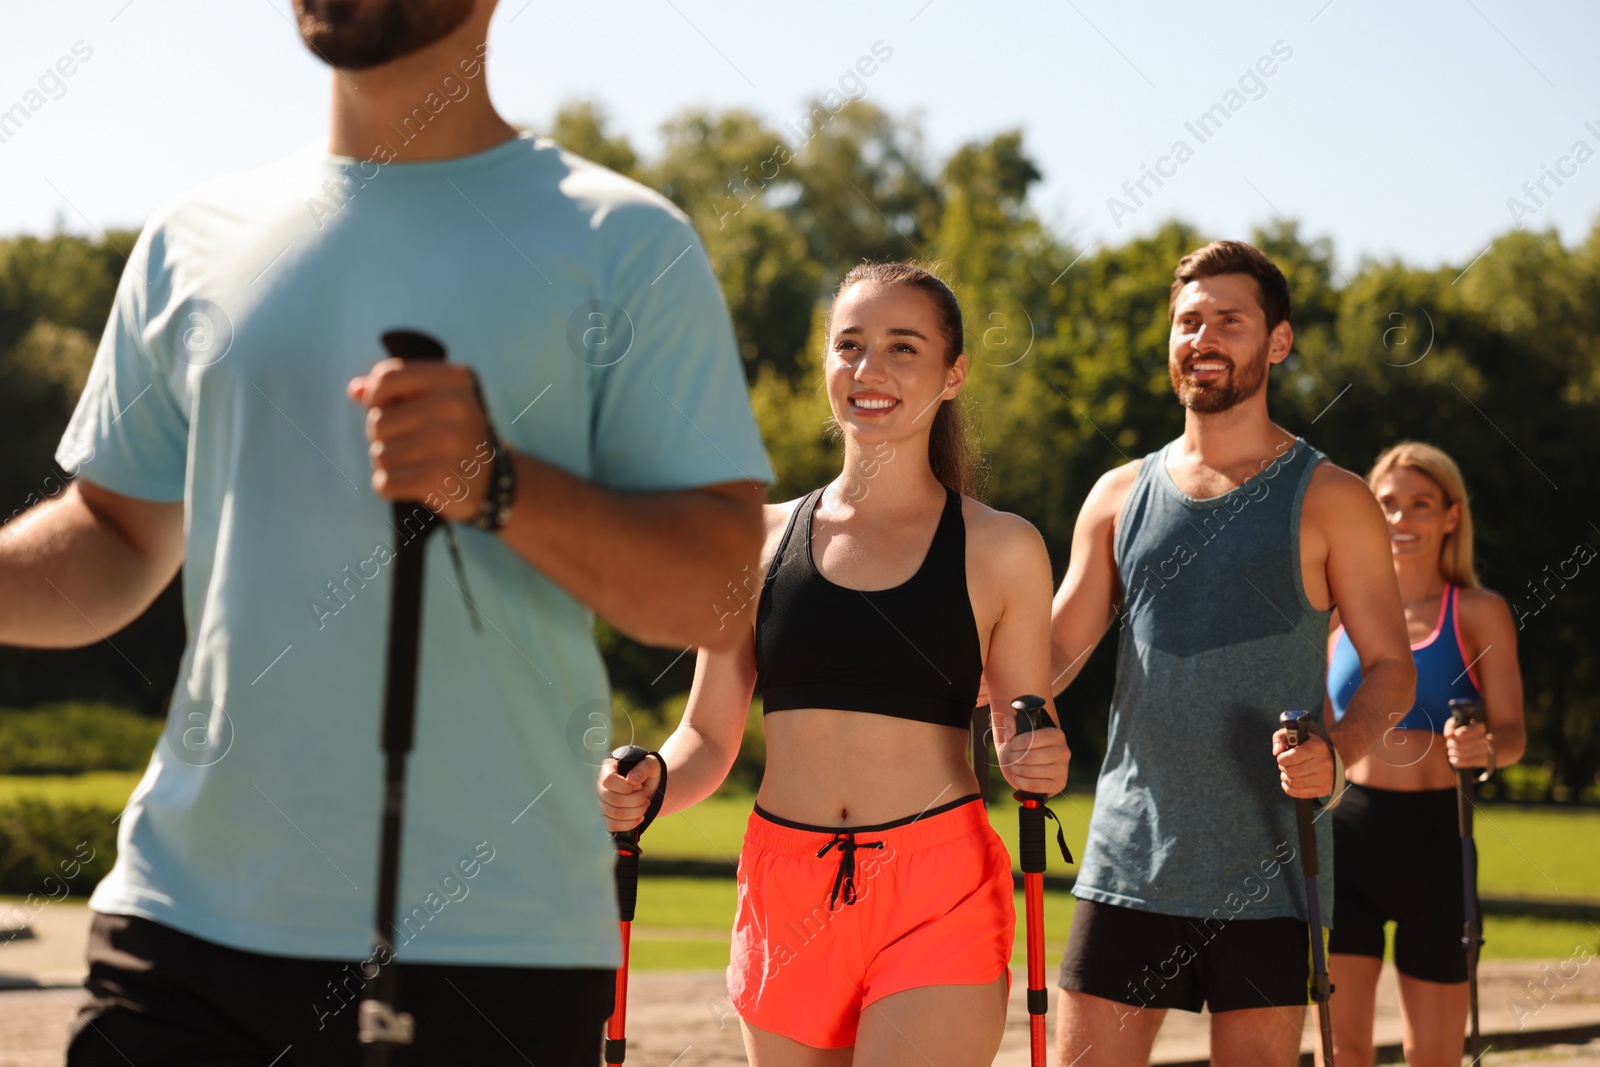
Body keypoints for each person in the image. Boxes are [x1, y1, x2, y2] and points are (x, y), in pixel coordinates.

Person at [0, 1, 772, 1063]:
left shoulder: (621, 242)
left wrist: (501, 482)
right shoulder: (192, 238)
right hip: (184, 923)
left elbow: (718, 583)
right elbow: (113, 541)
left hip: (495, 947)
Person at [598, 262, 1070, 1066]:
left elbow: (1024, 727)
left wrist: (1041, 754)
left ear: (953, 373)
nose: (869, 370)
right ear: (825, 365)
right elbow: (707, 736)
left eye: (901, 347)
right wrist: (650, 783)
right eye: (848, 345)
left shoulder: (1002, 547)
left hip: (936, 889)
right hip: (785, 894)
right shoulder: (753, 540)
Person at [1047, 240, 1417, 1067]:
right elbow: (1055, 649)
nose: (1203, 336)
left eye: (1229, 320)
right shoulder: (1117, 495)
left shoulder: (1332, 497)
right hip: (1129, 858)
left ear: (1277, 342)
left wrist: (1341, 752)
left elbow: (1393, 668)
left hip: (1271, 867)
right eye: (1188, 320)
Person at [1325, 442, 1525, 1067]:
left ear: (1451, 516)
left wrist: (1486, 746)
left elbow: (1514, 734)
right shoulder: (1333, 614)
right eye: (1386, 505)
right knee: (1346, 1049)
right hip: (1346, 838)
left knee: (1433, 1056)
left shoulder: (1480, 612)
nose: (1401, 520)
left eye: (1420, 504)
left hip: (1440, 839)